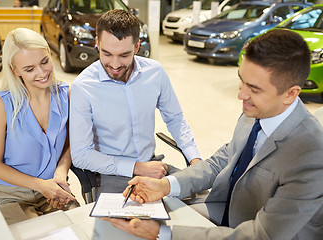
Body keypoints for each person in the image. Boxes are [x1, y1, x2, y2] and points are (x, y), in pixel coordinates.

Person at [103, 29, 323, 239]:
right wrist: (167, 185)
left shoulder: (310, 156)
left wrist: (162, 234)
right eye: (241, 80)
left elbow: (261, 235)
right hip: (223, 210)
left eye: (254, 89)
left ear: (290, 94)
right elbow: (225, 159)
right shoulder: (257, 110)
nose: (241, 94)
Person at [70, 9, 201, 194]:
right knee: (127, 221)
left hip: (153, 166)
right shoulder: (83, 87)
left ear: (137, 47)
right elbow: (81, 155)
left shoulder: (155, 72)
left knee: (203, 201)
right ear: (97, 43)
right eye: (107, 54)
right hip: (112, 173)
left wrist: (194, 158)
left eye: (124, 55)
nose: (115, 65)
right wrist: (136, 167)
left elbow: (175, 119)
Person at [0, 28, 78, 225]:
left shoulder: (66, 94)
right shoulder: (2, 104)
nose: (42, 73)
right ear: (14, 70)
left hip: (54, 189)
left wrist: (61, 173)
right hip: (11, 194)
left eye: (44, 62)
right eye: (29, 69)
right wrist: (40, 185)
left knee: (79, 228)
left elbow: (72, 142)